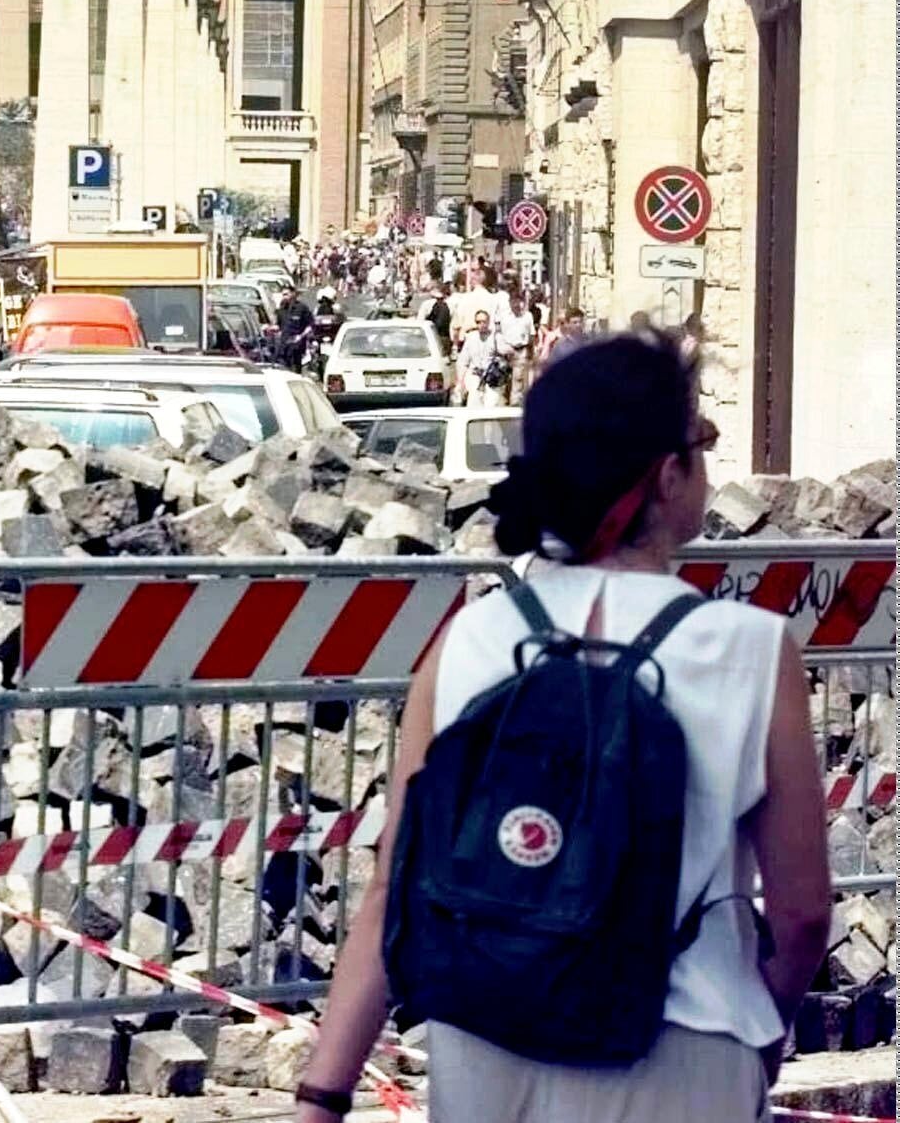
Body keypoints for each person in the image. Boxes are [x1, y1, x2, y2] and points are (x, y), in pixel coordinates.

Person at [295, 331, 831, 1123]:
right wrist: (761, 1028)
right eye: (701, 440)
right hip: (682, 1049)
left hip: (485, 1044)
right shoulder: (753, 651)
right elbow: (802, 911)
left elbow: (391, 887)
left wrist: (322, 1094)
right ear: (668, 474)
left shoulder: (470, 639)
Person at [494, 282, 537, 402]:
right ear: (509, 302)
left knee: (518, 379)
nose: (516, 304)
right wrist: (501, 348)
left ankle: (515, 401)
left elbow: (531, 334)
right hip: (506, 350)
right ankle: (502, 400)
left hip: (520, 350)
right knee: (503, 378)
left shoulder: (527, 316)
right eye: (513, 301)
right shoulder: (503, 316)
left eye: (518, 301)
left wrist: (530, 351)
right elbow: (498, 333)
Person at [454, 306, 504, 407]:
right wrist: (460, 382)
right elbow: (463, 362)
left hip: (491, 378)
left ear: (488, 322)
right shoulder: (471, 338)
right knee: (474, 405)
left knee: (491, 406)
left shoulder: (496, 338)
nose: (481, 324)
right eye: (478, 322)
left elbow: (506, 356)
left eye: (484, 321)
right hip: (475, 376)